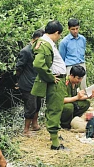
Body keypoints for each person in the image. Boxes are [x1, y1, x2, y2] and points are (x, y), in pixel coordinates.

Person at [31, 20, 68, 150]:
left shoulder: (46, 42)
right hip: (55, 81)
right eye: (60, 35)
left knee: (55, 107)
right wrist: (51, 77)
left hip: (58, 80)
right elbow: (38, 64)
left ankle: (55, 135)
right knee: (55, 109)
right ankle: (55, 142)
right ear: (57, 33)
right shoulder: (44, 43)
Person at [16, 29, 44, 137]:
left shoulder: (39, 50)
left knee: (37, 104)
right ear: (34, 39)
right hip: (28, 83)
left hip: (37, 82)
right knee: (30, 106)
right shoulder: (26, 51)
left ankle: (34, 124)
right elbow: (19, 68)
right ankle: (26, 129)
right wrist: (19, 81)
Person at [60, 65, 94, 129]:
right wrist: (77, 97)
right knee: (69, 107)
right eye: (78, 78)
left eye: (81, 78)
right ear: (71, 75)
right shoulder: (64, 82)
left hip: (72, 101)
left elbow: (77, 96)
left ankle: (72, 118)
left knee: (86, 103)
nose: (80, 80)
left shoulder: (77, 82)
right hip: (62, 105)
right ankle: (65, 124)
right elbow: (62, 100)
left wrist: (88, 96)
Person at [59, 18, 87, 90]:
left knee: (83, 86)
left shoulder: (82, 39)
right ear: (68, 28)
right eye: (73, 29)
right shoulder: (64, 42)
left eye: (77, 29)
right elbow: (62, 57)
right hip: (70, 67)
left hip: (81, 64)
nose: (75, 31)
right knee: (70, 87)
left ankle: (83, 100)